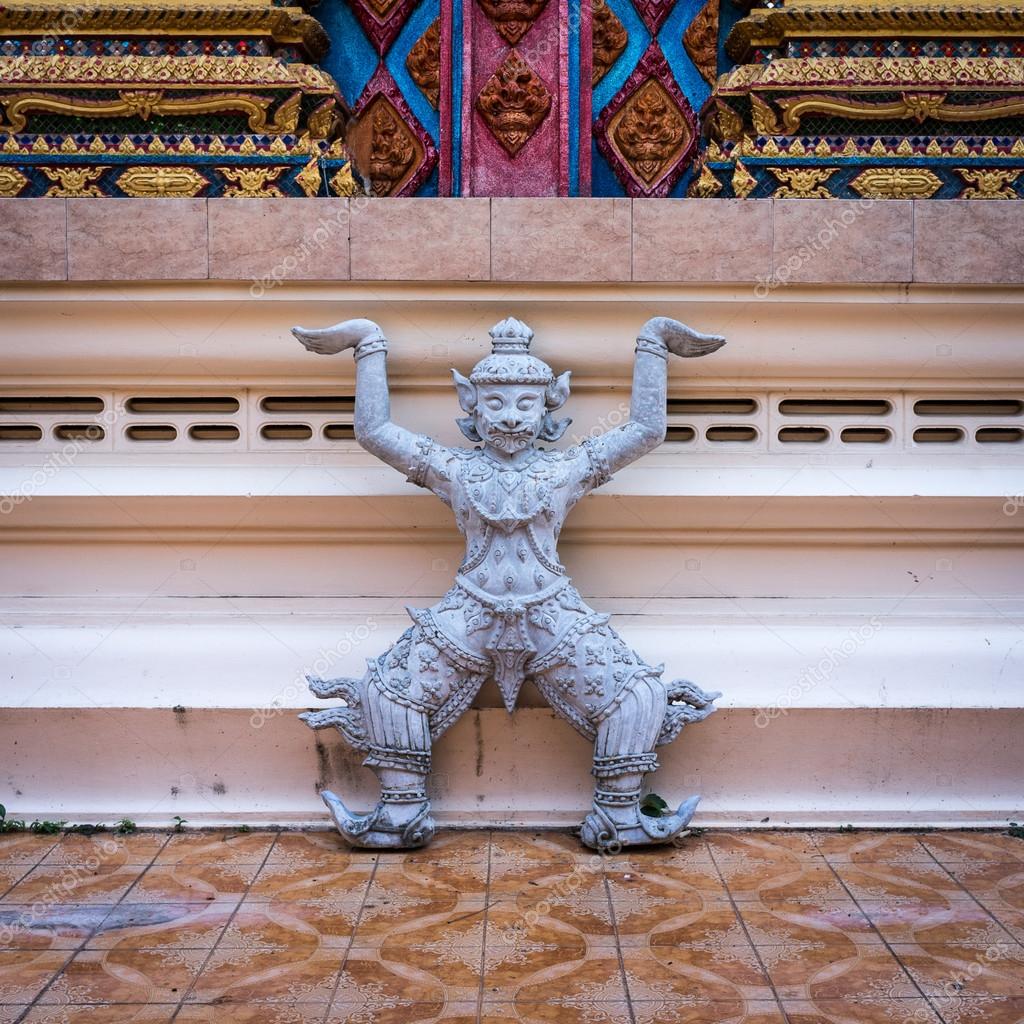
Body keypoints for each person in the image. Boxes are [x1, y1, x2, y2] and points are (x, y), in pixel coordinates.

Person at [291, 314, 725, 851]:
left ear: (551, 405)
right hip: (469, 610)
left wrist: (652, 342)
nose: (512, 418)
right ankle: (399, 814)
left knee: (638, 697)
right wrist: (367, 343)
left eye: (526, 403)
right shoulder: (454, 469)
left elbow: (645, 430)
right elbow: (375, 432)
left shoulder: (565, 470)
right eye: (496, 403)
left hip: (551, 611)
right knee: (388, 693)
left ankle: (621, 815)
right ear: (470, 403)